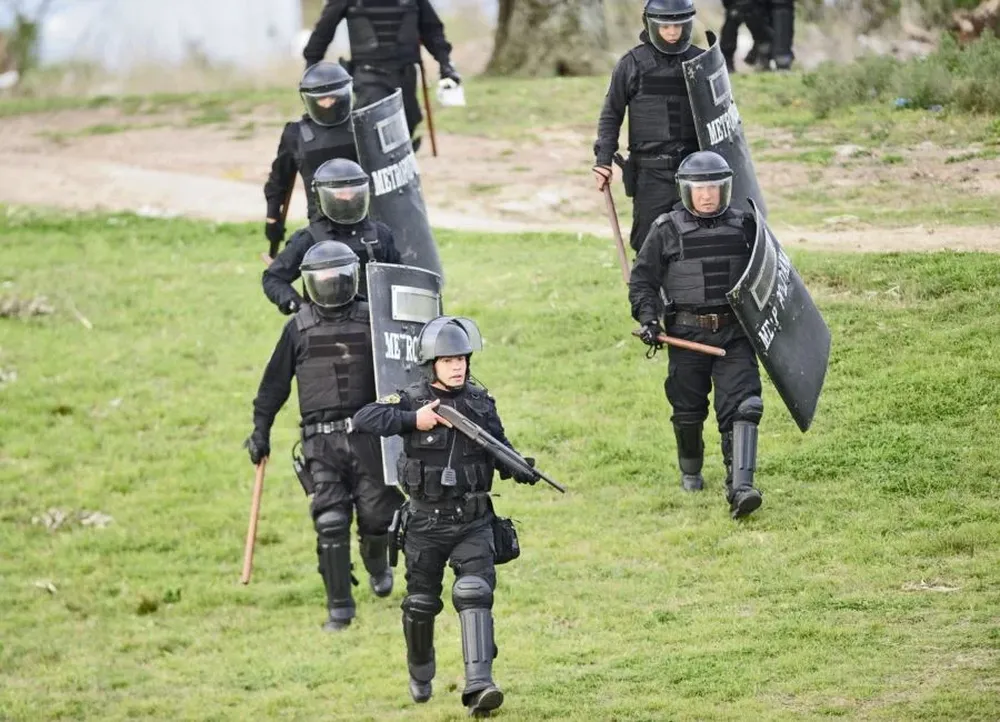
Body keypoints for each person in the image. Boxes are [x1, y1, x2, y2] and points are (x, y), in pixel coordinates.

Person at [351, 316, 539, 715]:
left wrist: (519, 467)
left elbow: (499, 448)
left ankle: (480, 685)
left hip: (473, 521)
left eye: (462, 359)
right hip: (424, 524)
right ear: (431, 363)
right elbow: (365, 418)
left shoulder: (481, 403)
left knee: (474, 592)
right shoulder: (410, 398)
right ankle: (421, 672)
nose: (457, 367)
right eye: (449, 360)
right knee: (420, 605)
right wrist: (412, 420)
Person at [245, 241, 405, 630]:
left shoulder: (374, 319)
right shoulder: (297, 328)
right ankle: (340, 609)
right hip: (321, 444)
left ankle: (377, 563)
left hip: (369, 436)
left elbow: (401, 369)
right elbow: (274, 385)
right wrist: (260, 430)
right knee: (330, 520)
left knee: (377, 516)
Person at [627, 150, 764, 520]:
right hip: (686, 336)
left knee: (744, 407)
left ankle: (741, 488)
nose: (706, 195)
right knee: (688, 411)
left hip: (735, 335)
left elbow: (769, 274)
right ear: (686, 190)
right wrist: (649, 319)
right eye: (699, 188)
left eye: (714, 187)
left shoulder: (746, 226)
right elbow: (642, 282)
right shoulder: (665, 229)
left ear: (725, 189)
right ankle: (691, 470)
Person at [593, 0, 705, 254]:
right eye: (665, 26)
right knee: (648, 244)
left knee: (695, 243)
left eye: (678, 25)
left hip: (696, 171)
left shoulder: (701, 61)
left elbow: (722, 115)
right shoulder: (632, 63)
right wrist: (603, 161)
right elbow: (611, 114)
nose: (672, 32)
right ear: (651, 25)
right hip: (650, 173)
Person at [301, 0, 460, 150]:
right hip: (368, 74)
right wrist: (311, 62)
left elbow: (432, 29)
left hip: (404, 72)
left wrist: (445, 63)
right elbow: (324, 28)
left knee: (408, 120)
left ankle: (401, 154)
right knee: (373, 121)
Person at [262, 158, 400, 315]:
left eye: (352, 191)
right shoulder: (308, 239)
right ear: (322, 196)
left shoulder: (380, 235)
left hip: (373, 322)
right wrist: (299, 307)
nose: (348, 197)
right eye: (341, 192)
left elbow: (401, 280)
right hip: (326, 325)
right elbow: (273, 278)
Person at [263, 62, 358, 254]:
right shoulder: (295, 134)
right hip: (322, 223)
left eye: (333, 96)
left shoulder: (362, 124)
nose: (328, 103)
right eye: (322, 98)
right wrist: (272, 217)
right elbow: (279, 179)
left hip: (365, 215)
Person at [719, 0, 773, 72]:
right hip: (736, 5)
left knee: (762, 34)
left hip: (756, 7)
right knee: (729, 30)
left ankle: (761, 58)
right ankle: (726, 63)